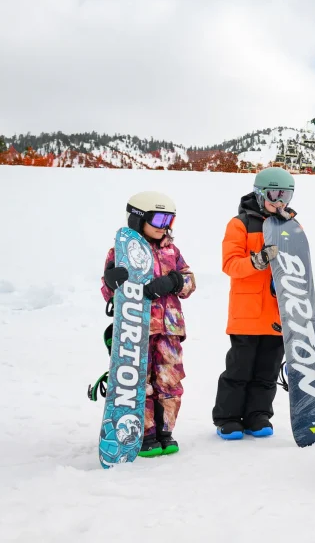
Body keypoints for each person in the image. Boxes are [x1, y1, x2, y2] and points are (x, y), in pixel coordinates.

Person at [101, 191, 196, 457]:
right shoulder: (120, 251)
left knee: (170, 379)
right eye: (158, 219)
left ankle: (165, 431)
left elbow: (190, 282)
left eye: (169, 220)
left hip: (170, 330)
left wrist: (176, 281)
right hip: (137, 328)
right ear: (138, 218)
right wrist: (112, 282)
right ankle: (144, 433)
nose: (164, 226)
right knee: (140, 380)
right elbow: (108, 291)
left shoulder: (171, 251)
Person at [213, 166, 296, 439]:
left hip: (278, 312)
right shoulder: (239, 224)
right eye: (274, 194)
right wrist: (257, 260)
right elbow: (230, 264)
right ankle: (227, 418)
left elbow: (300, 262)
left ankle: (258, 416)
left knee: (267, 370)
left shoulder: (291, 225)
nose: (279, 202)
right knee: (239, 369)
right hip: (247, 314)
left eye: (286, 196)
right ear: (260, 194)